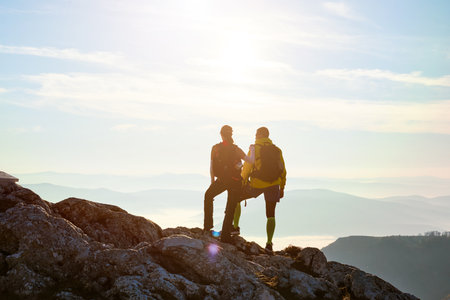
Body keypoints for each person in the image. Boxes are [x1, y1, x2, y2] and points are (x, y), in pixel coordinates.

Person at [237, 126, 286, 254]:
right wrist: (282, 187)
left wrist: (242, 183)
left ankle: (235, 227)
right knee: (271, 214)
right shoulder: (277, 150)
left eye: (256, 134)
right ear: (268, 136)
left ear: (259, 135)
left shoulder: (255, 149)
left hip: (257, 184)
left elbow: (247, 168)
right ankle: (269, 243)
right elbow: (283, 170)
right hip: (274, 184)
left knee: (235, 198)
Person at [204, 125, 253, 243]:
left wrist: (212, 181)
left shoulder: (215, 148)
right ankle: (225, 235)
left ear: (221, 134)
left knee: (208, 196)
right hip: (235, 181)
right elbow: (250, 161)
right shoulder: (236, 149)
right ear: (231, 134)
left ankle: (207, 227)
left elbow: (212, 167)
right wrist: (253, 150)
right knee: (231, 207)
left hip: (221, 180)